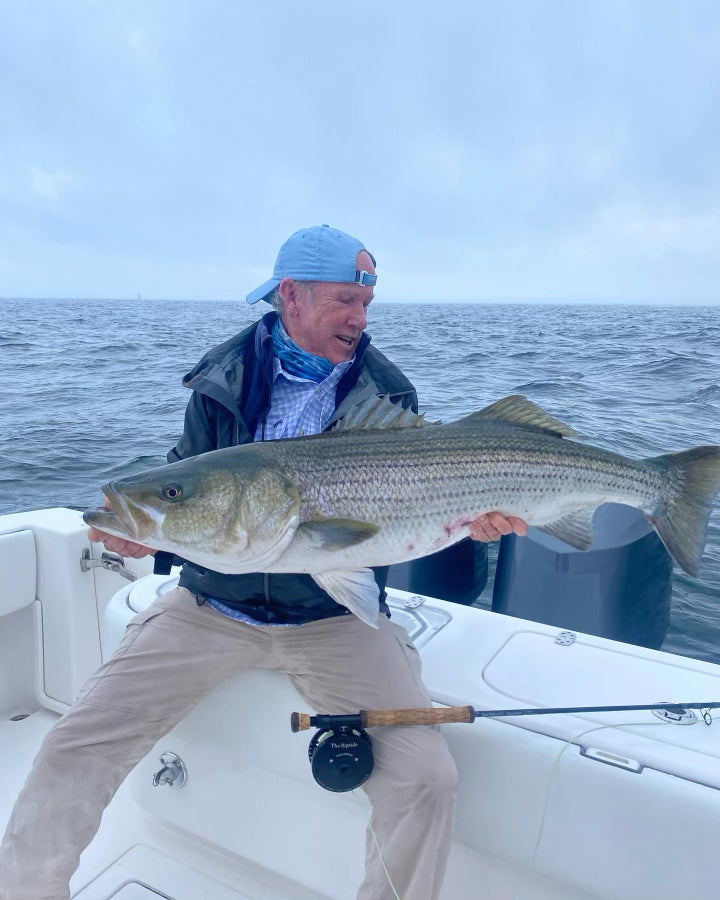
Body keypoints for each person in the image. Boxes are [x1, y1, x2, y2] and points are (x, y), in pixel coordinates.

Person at [0, 225, 527, 900]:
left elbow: (421, 517)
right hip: (210, 607)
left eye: (367, 303)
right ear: (291, 296)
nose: (360, 319)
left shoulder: (388, 396)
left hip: (332, 615)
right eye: (345, 300)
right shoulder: (220, 382)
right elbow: (183, 483)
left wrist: (474, 524)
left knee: (428, 778)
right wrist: (150, 531)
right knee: (76, 744)